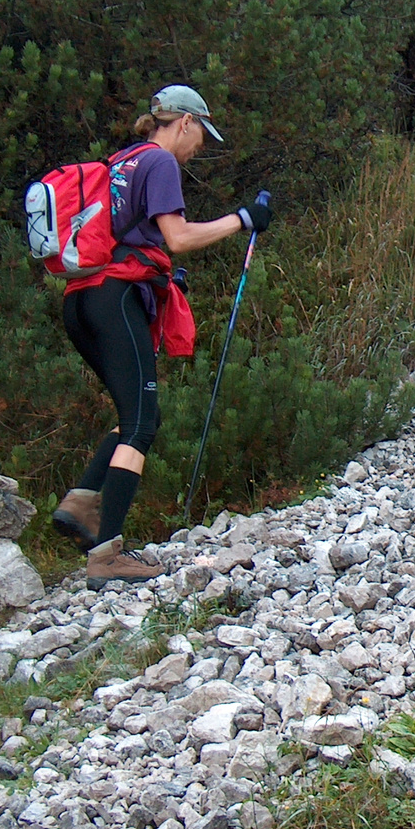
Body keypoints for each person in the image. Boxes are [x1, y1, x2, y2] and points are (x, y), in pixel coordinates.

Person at [52, 84, 273, 589]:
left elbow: (126, 236)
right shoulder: (159, 163)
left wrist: (158, 274)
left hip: (81, 301)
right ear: (185, 122)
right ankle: (106, 555)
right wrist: (242, 220)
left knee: (136, 414)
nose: (199, 147)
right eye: (201, 134)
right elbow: (178, 237)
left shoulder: (120, 161)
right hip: (115, 299)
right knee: (141, 424)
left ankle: (83, 502)